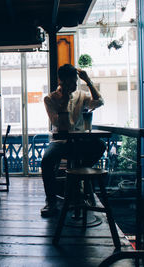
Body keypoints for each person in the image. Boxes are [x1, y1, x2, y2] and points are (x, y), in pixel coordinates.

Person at [40, 64, 105, 217]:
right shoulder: (50, 99)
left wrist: (88, 81)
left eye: (75, 81)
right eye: (70, 82)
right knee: (46, 161)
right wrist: (64, 99)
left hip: (80, 141)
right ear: (61, 82)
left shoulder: (81, 95)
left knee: (100, 146)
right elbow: (60, 125)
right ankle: (51, 201)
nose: (74, 85)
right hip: (60, 142)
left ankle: (77, 177)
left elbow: (99, 102)